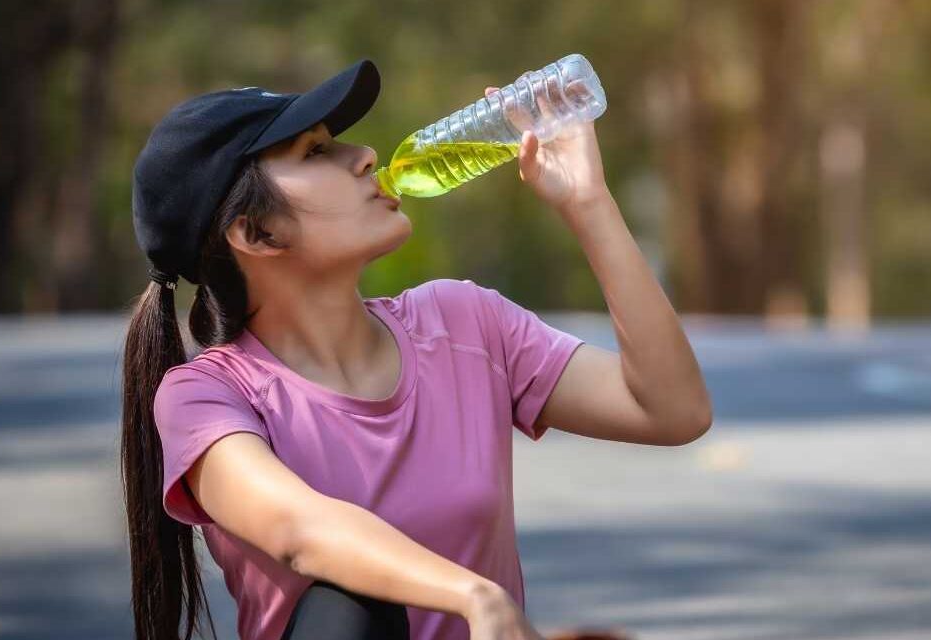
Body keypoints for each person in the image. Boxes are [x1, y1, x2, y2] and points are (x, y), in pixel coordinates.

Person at [119, 58, 713, 640]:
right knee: (347, 605)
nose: (365, 155)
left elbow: (672, 410)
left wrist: (589, 203)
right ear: (254, 232)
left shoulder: (463, 323)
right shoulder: (205, 396)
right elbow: (300, 531)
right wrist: (473, 595)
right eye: (315, 152)